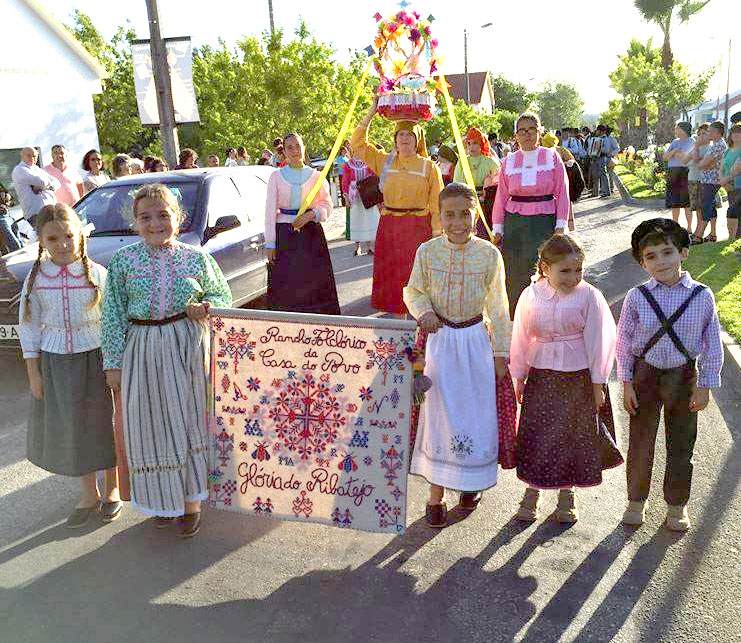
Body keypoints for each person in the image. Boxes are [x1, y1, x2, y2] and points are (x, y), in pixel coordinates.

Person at [101, 184, 231, 537]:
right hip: (141, 350)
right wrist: (113, 363)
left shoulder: (196, 257)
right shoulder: (123, 261)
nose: (155, 223)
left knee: (187, 422)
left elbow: (221, 294)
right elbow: (112, 314)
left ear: (178, 217)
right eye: (146, 217)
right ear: (135, 222)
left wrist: (204, 307)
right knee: (151, 426)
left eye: (163, 215)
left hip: (185, 347)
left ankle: (190, 503)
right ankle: (162, 502)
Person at [403, 182, 511, 527]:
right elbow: (413, 290)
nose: (458, 222)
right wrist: (424, 312)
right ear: (440, 216)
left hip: (475, 341)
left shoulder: (489, 254)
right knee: (440, 414)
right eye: (449, 215)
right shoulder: (427, 251)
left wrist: (500, 352)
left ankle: (471, 484)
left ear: (475, 213)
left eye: (465, 213)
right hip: (441, 340)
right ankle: (435, 496)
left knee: (474, 414)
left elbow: (498, 304)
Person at [617, 218, 722, 531]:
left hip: (683, 377)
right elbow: (623, 344)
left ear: (683, 253)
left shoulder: (702, 296)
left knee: (681, 444)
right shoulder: (636, 297)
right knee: (640, 441)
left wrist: (705, 386)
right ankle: (636, 501)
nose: (660, 261)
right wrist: (626, 384)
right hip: (645, 376)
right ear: (641, 262)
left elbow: (713, 344)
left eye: (667, 252)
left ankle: (677, 506)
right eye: (651, 256)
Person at [19, 203, 121, 528]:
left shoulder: (99, 275)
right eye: (53, 238)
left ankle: (113, 489)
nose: (62, 244)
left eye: (68, 236)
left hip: (97, 358)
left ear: (80, 235)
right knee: (73, 427)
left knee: (104, 423)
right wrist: (34, 373)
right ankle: (88, 492)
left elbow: (113, 323)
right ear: (41, 242)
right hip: (56, 362)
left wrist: (114, 364)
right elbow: (29, 327)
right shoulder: (36, 280)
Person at [510, 234, 621, 523]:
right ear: (546, 268)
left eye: (578, 270)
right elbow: (520, 337)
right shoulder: (530, 295)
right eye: (565, 271)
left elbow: (600, 341)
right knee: (539, 436)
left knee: (572, 436)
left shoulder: (589, 295)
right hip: (542, 376)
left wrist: (598, 384)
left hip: (577, 378)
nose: (573, 277)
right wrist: (518, 376)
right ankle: (532, 492)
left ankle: (567, 493)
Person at [351, 97, 444, 316]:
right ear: (394, 139)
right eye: (400, 134)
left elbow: (437, 203)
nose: (404, 139)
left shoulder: (428, 167)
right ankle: (397, 328)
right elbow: (357, 144)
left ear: (417, 139)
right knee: (393, 280)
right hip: (390, 228)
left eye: (409, 135)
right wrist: (372, 111)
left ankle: (420, 328)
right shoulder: (385, 161)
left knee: (417, 279)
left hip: (418, 228)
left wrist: (437, 234)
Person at [492, 112, 569, 318]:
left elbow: (562, 191)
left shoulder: (552, 157)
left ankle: (547, 316)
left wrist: (561, 224)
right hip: (515, 223)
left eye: (532, 129)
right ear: (516, 135)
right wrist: (498, 227)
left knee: (546, 270)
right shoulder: (508, 161)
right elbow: (501, 197)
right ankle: (517, 320)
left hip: (544, 221)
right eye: (522, 130)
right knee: (515, 272)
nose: (527, 134)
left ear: (540, 131)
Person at [264, 132, 340, 315]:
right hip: (285, 236)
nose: (294, 151)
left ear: (303, 148)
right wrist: (270, 244)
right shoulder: (276, 176)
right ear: (284, 151)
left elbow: (327, 205)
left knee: (314, 282)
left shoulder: (317, 176)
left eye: (297, 146)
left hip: (311, 236)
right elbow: (269, 212)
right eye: (290, 147)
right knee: (288, 284)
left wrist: (311, 215)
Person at [453, 127, 501, 240]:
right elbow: (456, 184)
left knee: (484, 234)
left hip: (487, 204)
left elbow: (498, 182)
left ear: (481, 144)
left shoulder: (490, 162)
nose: (471, 147)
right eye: (469, 144)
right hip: (467, 202)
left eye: (475, 143)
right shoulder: (462, 162)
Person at [341, 152, 381, 256]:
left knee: (368, 220)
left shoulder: (368, 162)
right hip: (355, 196)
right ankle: (357, 247)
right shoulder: (348, 165)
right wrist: (346, 197)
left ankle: (369, 247)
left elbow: (373, 176)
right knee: (356, 220)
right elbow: (345, 180)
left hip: (366, 195)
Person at [695, 121, 728, 243]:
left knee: (706, 207)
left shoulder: (719, 145)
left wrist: (703, 164)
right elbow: (702, 163)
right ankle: (712, 235)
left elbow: (702, 164)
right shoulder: (715, 145)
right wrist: (703, 164)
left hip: (712, 180)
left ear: (717, 132)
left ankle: (699, 236)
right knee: (711, 206)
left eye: (709, 131)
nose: (708, 133)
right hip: (708, 179)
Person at [541, 132, 581, 230]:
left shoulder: (548, 152)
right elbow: (572, 160)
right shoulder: (560, 150)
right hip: (560, 183)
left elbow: (572, 162)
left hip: (552, 184)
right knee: (565, 203)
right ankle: (569, 228)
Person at [11, 147, 60, 226]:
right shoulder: (19, 170)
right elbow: (42, 181)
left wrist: (43, 187)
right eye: (28, 155)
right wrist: (46, 185)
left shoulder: (37, 169)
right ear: (22, 156)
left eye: (34, 156)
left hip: (50, 210)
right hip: (36, 213)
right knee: (43, 236)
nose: (32, 158)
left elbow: (57, 183)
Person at [663, 122, 694, 228]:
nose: (675, 131)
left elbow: (684, 158)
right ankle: (675, 225)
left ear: (683, 130)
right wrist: (675, 151)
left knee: (686, 203)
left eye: (677, 128)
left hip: (684, 173)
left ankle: (689, 227)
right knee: (674, 202)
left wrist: (673, 153)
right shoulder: (674, 142)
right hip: (672, 173)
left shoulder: (691, 141)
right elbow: (665, 157)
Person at [683, 123, 710, 234]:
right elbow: (685, 161)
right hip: (692, 180)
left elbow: (697, 161)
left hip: (702, 181)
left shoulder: (709, 148)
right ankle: (697, 230)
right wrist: (696, 149)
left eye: (704, 133)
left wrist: (696, 149)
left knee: (700, 208)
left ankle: (699, 232)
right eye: (699, 134)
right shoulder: (696, 147)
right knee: (696, 208)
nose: (701, 136)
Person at [720, 123, 741, 239]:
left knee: (734, 211)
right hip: (729, 186)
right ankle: (731, 237)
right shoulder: (727, 151)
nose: (736, 135)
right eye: (734, 132)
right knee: (732, 211)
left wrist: (725, 181)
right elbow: (721, 169)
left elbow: (738, 169)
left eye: (739, 132)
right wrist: (723, 181)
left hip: (738, 185)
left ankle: (736, 238)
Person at [0, 185, 22, 253]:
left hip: (8, 216)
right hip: (2, 219)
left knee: (20, 244)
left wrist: (7, 199)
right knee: (15, 246)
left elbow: (9, 199)